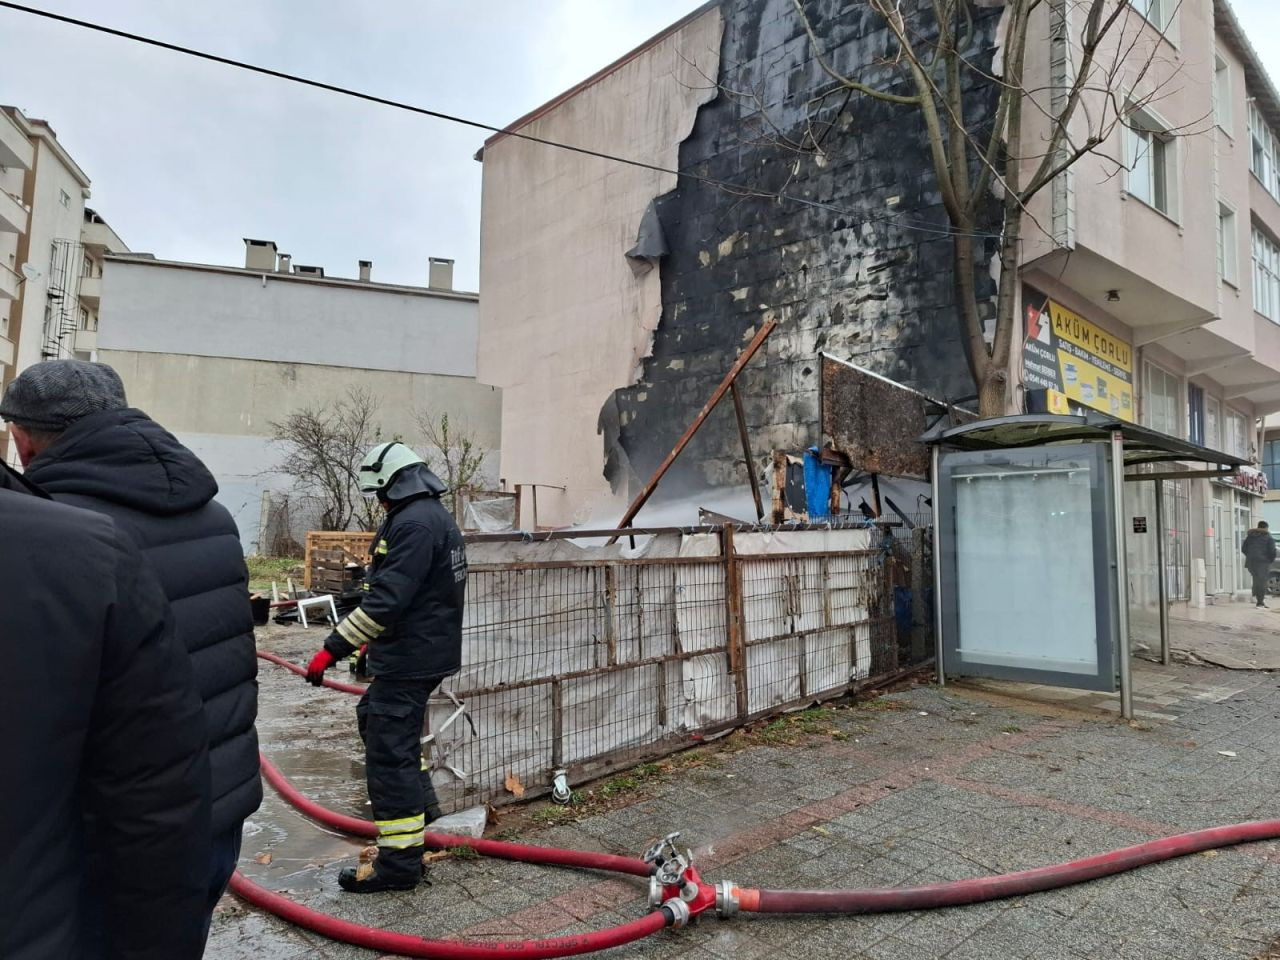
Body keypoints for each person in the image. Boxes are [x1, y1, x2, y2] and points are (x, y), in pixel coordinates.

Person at [0, 360, 261, 934]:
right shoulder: (214, 515)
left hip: (116, 830)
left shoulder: (58, 531)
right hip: (220, 805)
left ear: (22, 438)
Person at [0, 460, 212, 959]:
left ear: (28, 437)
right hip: (196, 786)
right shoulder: (87, 546)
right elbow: (156, 796)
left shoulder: (81, 539)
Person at [305, 440, 466, 893]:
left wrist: (330, 649)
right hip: (417, 652)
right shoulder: (430, 515)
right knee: (377, 721)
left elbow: (385, 602)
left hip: (411, 659)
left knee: (388, 756)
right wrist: (367, 646)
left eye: (380, 492)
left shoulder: (413, 524)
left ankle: (399, 869)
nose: (379, 501)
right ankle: (424, 814)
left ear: (392, 485)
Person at [1242, 519, 1277, 608]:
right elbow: (1272, 551)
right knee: (1262, 582)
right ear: (1266, 528)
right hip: (1263, 563)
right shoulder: (1268, 537)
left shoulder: (1250, 536)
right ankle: (1260, 602)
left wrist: (1250, 556)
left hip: (1251, 563)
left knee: (1256, 580)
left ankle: (1256, 597)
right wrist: (1269, 560)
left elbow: (1244, 549)